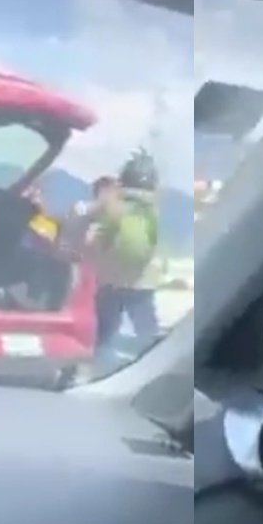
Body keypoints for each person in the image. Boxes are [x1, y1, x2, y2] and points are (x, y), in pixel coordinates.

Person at [87, 149, 163, 364]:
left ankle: (103, 371)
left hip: (110, 282)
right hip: (142, 282)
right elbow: (152, 243)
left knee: (105, 333)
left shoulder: (114, 208)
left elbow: (97, 241)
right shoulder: (152, 211)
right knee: (147, 331)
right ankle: (153, 366)